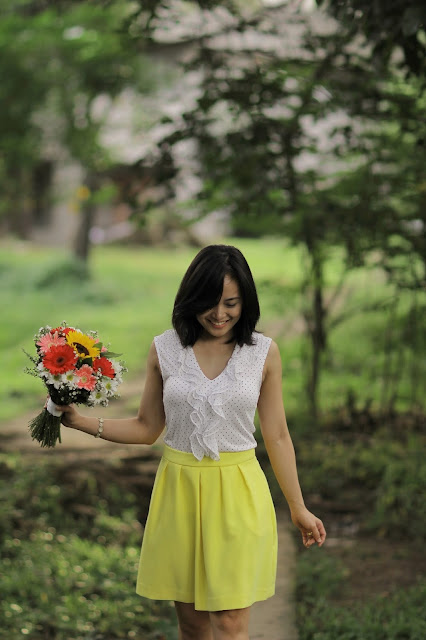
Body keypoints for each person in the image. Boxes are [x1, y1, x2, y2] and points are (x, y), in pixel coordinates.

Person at [57, 244, 326, 640]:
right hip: (178, 492)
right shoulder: (165, 349)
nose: (220, 314)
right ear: (191, 299)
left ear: (246, 301)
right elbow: (147, 428)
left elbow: (278, 435)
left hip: (238, 493)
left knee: (231, 624)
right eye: (209, 303)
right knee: (192, 626)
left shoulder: (263, 354)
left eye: (231, 303)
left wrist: (298, 507)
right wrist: (79, 421)